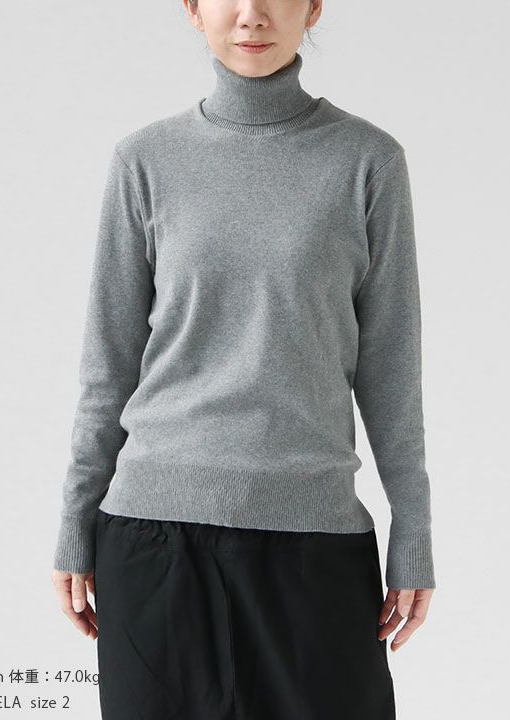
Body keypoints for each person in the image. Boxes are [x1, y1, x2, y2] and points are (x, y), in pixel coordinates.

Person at [51, 1, 437, 718]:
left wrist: (412, 528)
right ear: (193, 10)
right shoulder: (145, 160)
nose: (251, 14)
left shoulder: (368, 161)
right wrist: (75, 519)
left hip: (313, 541)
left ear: (312, 8)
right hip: (155, 539)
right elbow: (108, 364)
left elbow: (391, 367)